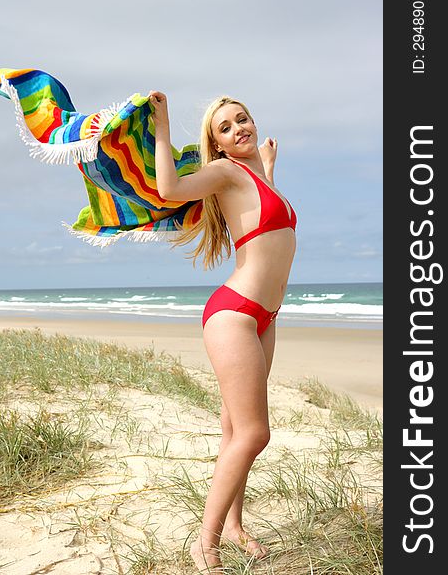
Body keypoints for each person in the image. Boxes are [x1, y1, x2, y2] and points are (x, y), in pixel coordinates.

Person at [149, 90, 297, 573]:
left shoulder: (253, 176)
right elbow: (169, 188)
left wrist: (269, 167)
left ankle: (233, 526)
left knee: (236, 428)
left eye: (243, 119)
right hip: (235, 313)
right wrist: (163, 123)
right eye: (226, 128)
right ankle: (205, 542)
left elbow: (262, 212)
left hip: (265, 316)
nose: (240, 129)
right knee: (254, 433)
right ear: (217, 144)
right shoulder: (227, 172)